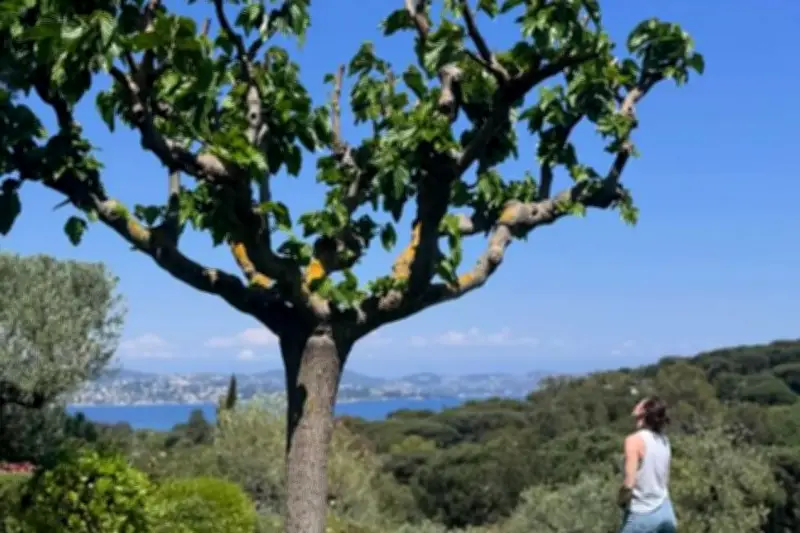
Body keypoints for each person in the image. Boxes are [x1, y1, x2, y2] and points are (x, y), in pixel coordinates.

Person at [617, 396, 677, 533]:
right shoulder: (664, 441)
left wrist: (620, 500)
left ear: (644, 413)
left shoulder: (634, 441)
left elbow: (629, 484)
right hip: (665, 510)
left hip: (642, 513)